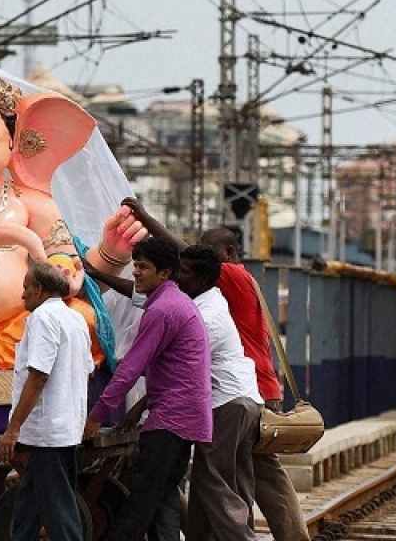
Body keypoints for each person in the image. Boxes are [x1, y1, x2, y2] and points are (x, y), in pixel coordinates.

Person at [124, 199, 310, 541]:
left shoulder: (233, 276)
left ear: (227, 252)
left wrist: (148, 220)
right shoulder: (214, 292)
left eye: (206, 252)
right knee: (235, 477)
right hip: (246, 389)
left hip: (240, 391)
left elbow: (186, 259)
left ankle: (291, 537)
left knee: (245, 477)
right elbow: (156, 288)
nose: (185, 267)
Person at [83, 236, 212, 541]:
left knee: (141, 500)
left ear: (165, 273)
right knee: (163, 497)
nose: (136, 273)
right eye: (135, 265)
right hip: (188, 417)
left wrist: (96, 416)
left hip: (172, 418)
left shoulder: (162, 311)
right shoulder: (174, 302)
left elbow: (131, 367)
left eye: (143, 267)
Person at [0, 258, 94, 541]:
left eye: (26, 287)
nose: (23, 293)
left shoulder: (42, 318)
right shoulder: (75, 318)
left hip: (47, 431)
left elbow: (38, 376)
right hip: (65, 427)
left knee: (58, 509)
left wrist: (13, 429)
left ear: (39, 288)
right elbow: (86, 371)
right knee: (30, 503)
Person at [178, 244, 263, 541]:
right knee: (237, 480)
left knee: (213, 480)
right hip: (244, 397)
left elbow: (186, 368)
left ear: (202, 279)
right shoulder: (211, 302)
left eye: (184, 273)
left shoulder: (205, 317)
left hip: (226, 401)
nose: (177, 277)